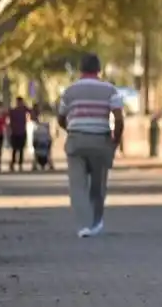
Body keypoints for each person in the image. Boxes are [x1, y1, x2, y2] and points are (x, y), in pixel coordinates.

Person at [58, 54, 124, 238]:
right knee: (98, 185)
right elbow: (118, 119)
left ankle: (84, 225)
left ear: (80, 70)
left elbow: (61, 117)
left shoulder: (69, 91)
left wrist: (71, 129)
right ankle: (96, 222)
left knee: (77, 185)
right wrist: (115, 139)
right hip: (100, 140)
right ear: (99, 70)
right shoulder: (110, 90)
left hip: (76, 140)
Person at [7, 97, 30, 172]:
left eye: (21, 102)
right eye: (18, 102)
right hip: (14, 133)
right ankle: (13, 164)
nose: (19, 104)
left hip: (22, 132)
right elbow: (8, 119)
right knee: (14, 149)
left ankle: (20, 165)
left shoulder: (24, 110)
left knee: (21, 150)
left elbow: (31, 111)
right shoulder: (13, 111)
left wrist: (26, 106)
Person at [31, 106, 54, 171]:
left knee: (47, 153)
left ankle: (50, 164)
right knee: (38, 153)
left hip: (44, 138)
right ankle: (35, 165)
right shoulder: (37, 119)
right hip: (41, 138)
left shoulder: (45, 119)